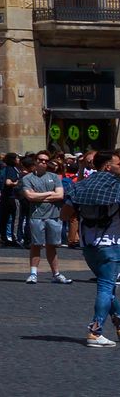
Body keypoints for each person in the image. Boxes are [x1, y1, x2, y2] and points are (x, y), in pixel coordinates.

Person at [64, 148, 120, 347]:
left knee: (108, 285)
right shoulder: (116, 187)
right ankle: (95, 332)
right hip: (111, 244)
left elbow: (65, 214)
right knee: (106, 287)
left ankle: (119, 321)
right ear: (108, 166)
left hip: (88, 245)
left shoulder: (81, 185)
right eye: (119, 164)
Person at [22, 152, 72, 284]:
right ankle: (33, 273)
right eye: (40, 160)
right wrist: (50, 193)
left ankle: (56, 274)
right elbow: (30, 197)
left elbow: (60, 195)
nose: (43, 162)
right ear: (35, 161)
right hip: (36, 216)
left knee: (52, 245)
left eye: (46, 160)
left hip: (54, 215)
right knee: (36, 244)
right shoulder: (28, 178)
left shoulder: (54, 177)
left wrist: (40, 196)